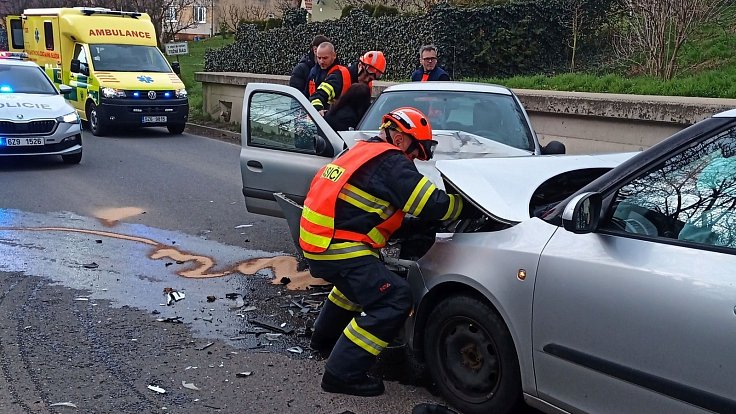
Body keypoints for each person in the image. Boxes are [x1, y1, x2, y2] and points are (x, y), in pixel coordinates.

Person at [300, 107, 464, 397]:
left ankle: (324, 340)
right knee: (394, 298)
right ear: (400, 139)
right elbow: (431, 205)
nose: (413, 160)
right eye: (415, 152)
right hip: (338, 246)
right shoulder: (392, 161)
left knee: (357, 285)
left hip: (319, 242)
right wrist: (464, 204)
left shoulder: (361, 151)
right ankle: (342, 374)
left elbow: (366, 207)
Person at [309, 50, 386, 113]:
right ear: (360, 65)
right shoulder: (338, 77)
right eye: (366, 74)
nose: (366, 79)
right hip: (330, 125)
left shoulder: (367, 86)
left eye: (371, 78)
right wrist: (318, 111)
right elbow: (316, 97)